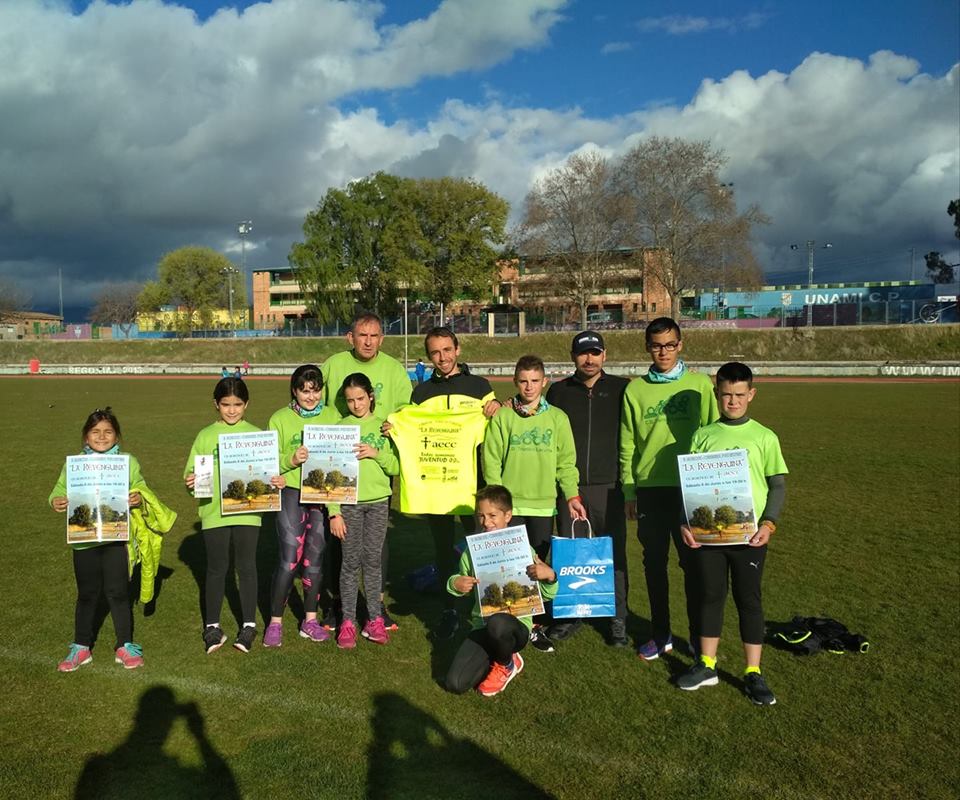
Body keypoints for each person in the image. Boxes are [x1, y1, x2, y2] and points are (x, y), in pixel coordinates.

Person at [676, 362, 788, 705]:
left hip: (750, 536)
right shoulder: (703, 435)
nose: (733, 401)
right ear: (717, 395)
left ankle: (753, 672)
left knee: (748, 600)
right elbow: (689, 485)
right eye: (726, 395)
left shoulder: (765, 436)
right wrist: (686, 521)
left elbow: (778, 485)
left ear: (751, 394)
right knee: (710, 596)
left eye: (740, 395)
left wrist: (768, 523)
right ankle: (707, 664)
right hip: (709, 536)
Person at [619, 317, 719, 661]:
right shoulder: (635, 389)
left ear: (681, 345)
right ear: (648, 347)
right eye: (657, 345)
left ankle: (694, 635)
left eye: (670, 344)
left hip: (690, 488)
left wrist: (711, 488)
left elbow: (713, 435)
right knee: (654, 565)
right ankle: (660, 634)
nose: (664, 351)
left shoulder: (700, 385)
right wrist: (630, 491)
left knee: (693, 565)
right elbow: (627, 443)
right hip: (649, 488)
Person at [483, 354, 586, 653]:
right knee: (508, 567)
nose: (529, 387)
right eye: (523, 381)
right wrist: (496, 504)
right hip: (511, 508)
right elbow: (491, 460)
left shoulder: (557, 418)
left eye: (535, 381)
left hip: (542, 506)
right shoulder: (503, 417)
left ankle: (530, 626)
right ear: (515, 382)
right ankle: (503, 623)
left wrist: (572, 495)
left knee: (534, 567)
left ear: (544, 382)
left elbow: (567, 464)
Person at [405, 327, 501, 641]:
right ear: (429, 355)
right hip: (436, 489)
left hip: (474, 486)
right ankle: (450, 610)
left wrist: (497, 409)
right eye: (435, 352)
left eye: (447, 350)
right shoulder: (420, 393)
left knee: (482, 547)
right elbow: (414, 433)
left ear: (457, 349)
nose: (442, 357)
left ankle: (489, 607)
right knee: (444, 551)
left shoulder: (480, 386)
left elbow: (498, 429)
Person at [320, 312, 412, 630]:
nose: (368, 341)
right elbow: (316, 403)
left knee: (376, 546)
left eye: (374, 335)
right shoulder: (333, 364)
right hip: (340, 463)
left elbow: (406, 411)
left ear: (382, 338)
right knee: (339, 539)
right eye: (362, 335)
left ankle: (377, 605)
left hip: (378, 463)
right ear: (351, 337)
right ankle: (338, 604)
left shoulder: (394, 369)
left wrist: (392, 425)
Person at [184, 377, 285, 654]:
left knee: (246, 567)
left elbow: (272, 471)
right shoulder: (205, 435)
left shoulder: (256, 434)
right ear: (216, 404)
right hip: (214, 512)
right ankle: (212, 627)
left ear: (246, 404)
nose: (231, 410)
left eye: (237, 404)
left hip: (247, 513)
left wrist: (277, 480)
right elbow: (190, 472)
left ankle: (249, 625)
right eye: (226, 404)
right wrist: (190, 480)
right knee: (217, 569)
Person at [545, 331, 631, 647]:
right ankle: (570, 615)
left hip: (610, 487)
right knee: (570, 553)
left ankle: (618, 617)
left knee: (613, 553)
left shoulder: (623, 389)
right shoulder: (558, 392)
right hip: (570, 486)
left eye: (595, 353)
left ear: (604, 356)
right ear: (573, 356)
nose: (589, 359)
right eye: (583, 354)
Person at [49, 407, 147, 671]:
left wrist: (137, 496)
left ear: (116, 436)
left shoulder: (128, 461)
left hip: (116, 540)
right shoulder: (75, 464)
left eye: (108, 432)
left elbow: (140, 485)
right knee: (87, 594)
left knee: (118, 593)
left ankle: (125, 645)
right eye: (95, 432)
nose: (102, 437)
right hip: (84, 541)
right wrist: (56, 501)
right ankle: (81, 647)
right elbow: (59, 490)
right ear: (86, 436)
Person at [445, 485, 559, 696]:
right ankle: (497, 653)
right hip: (483, 624)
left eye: (492, 515)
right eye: (480, 515)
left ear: (508, 515)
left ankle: (507, 664)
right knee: (455, 683)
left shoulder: (524, 549)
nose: (486, 522)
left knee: (498, 622)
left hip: (516, 626)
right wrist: (455, 583)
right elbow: (457, 584)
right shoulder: (472, 551)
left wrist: (550, 577)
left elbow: (546, 594)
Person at [263, 364, 341, 647]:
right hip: (292, 494)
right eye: (304, 390)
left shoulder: (333, 416)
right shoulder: (280, 419)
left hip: (322, 496)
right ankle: (275, 622)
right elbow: (267, 461)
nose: (311, 396)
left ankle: (310, 620)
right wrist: (290, 461)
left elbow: (343, 457)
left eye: (316, 390)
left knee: (315, 561)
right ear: (294, 391)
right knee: (288, 559)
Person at [328, 373, 400, 649]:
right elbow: (330, 475)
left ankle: (373, 619)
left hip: (379, 502)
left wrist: (376, 453)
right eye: (350, 400)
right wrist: (334, 510)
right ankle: (347, 621)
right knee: (349, 562)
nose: (356, 405)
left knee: (372, 561)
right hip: (349, 504)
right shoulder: (340, 428)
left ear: (371, 396)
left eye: (360, 398)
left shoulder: (384, 428)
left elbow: (395, 466)